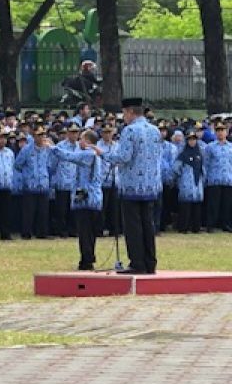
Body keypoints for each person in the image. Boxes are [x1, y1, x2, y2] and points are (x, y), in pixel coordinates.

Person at [103, 98, 162, 275]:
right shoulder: (154, 130)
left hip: (131, 186)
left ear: (129, 112)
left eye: (124, 114)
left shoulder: (129, 131)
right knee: (148, 224)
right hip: (150, 185)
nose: (124, 117)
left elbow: (124, 157)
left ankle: (137, 262)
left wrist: (104, 154)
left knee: (133, 226)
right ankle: (150, 262)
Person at [49, 129, 105, 270]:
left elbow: (69, 156)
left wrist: (52, 148)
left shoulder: (88, 154)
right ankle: (89, 257)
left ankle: (86, 261)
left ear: (87, 141)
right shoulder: (96, 155)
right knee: (91, 232)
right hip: (96, 198)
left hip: (86, 198)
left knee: (84, 232)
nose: (79, 141)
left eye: (81, 139)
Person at [16, 129, 52, 239]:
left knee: (43, 211)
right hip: (30, 185)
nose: (41, 138)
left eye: (43, 135)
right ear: (34, 136)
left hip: (43, 184)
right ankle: (26, 233)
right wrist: (27, 175)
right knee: (28, 212)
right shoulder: (26, 150)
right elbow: (18, 164)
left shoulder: (47, 149)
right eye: (38, 135)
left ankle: (42, 233)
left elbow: (51, 165)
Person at [202, 122, 232, 232]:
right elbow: (206, 163)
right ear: (215, 132)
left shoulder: (231, 147)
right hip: (214, 179)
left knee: (227, 205)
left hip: (228, 179)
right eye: (218, 131)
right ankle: (211, 225)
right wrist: (205, 179)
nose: (220, 133)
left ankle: (226, 224)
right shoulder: (210, 147)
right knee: (213, 205)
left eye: (222, 130)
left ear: (226, 132)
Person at [174, 132, 204, 233]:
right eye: (190, 140)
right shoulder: (183, 154)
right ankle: (183, 227)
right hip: (186, 182)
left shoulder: (200, 153)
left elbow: (203, 168)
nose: (192, 141)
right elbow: (176, 168)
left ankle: (196, 227)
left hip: (197, 183)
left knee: (197, 206)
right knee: (185, 206)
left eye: (194, 139)